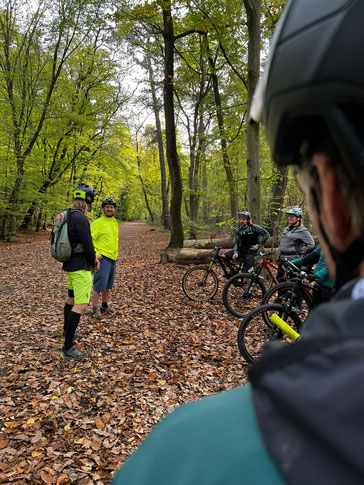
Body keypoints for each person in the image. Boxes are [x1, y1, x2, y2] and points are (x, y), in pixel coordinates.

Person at [112, 1, 364, 483]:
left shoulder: (185, 454)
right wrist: (231, 248)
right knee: (241, 260)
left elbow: (285, 244)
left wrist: (274, 252)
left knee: (263, 269)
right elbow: (244, 238)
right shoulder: (254, 229)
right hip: (259, 258)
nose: (250, 217)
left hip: (270, 262)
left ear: (330, 197)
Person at [60, 183, 100, 361]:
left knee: (71, 298)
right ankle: (67, 348)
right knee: (81, 305)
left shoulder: (66, 215)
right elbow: (88, 245)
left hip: (68, 264)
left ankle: (66, 333)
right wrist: (94, 262)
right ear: (88, 200)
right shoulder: (81, 219)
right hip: (80, 267)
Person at [90, 197, 119, 319]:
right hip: (102, 258)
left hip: (112, 258)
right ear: (103, 209)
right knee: (98, 285)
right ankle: (95, 310)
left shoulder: (114, 222)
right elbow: (89, 239)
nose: (109, 209)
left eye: (111, 207)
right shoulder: (97, 223)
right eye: (107, 207)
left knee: (107, 285)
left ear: (114, 209)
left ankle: (104, 306)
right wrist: (96, 255)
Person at [277, 207, 314, 279]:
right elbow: (282, 243)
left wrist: (303, 254)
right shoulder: (286, 229)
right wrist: (278, 256)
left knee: (292, 281)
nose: (289, 218)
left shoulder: (302, 230)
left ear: (298, 218)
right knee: (279, 280)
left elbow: (311, 244)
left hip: (293, 260)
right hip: (282, 259)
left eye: (292, 216)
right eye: (289, 216)